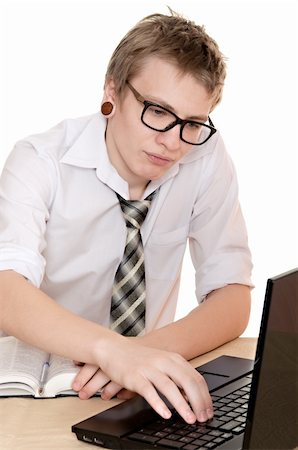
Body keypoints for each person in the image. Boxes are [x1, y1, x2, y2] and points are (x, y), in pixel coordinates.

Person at [0, 10, 253, 425]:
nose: (172, 141)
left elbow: (231, 293)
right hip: (41, 392)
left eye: (192, 123)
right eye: (156, 111)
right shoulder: (39, 160)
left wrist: (147, 352)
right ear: (112, 92)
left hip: (137, 386)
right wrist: (111, 350)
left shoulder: (205, 155)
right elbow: (6, 289)